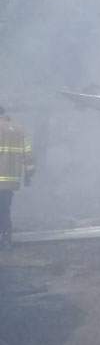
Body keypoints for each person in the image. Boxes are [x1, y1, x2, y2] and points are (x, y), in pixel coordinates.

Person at [0, 106, 35, 249]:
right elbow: (28, 155)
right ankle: (6, 240)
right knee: (4, 210)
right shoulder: (19, 130)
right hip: (10, 181)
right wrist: (28, 175)